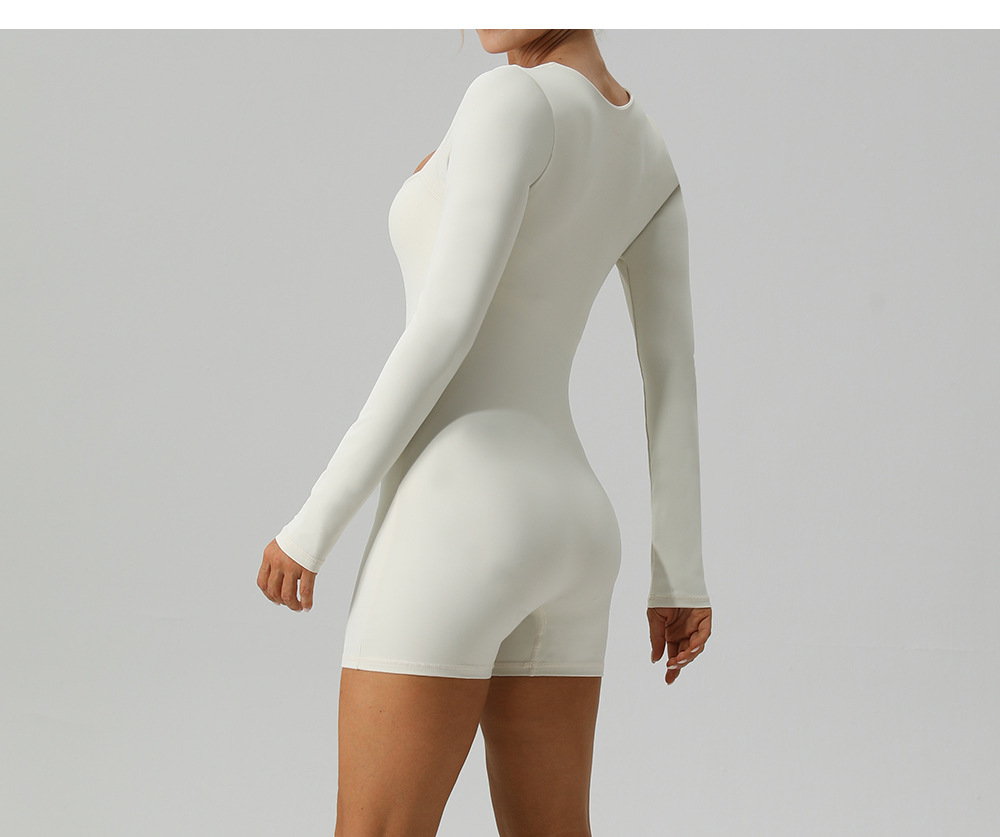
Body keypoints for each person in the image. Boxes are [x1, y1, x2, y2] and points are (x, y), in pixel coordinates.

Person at [256, 29, 712, 836]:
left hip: (460, 510)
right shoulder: (649, 148)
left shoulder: (508, 100)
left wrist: (313, 523)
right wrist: (679, 576)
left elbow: (445, 327)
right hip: (575, 528)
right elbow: (671, 372)